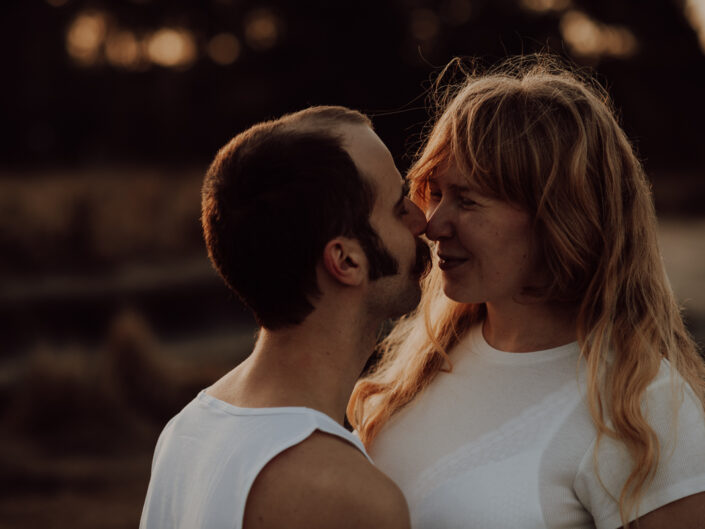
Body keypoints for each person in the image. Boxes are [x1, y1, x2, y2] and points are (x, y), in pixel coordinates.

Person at [349, 56, 705, 529]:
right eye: (435, 193)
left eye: (468, 200)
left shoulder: (643, 408)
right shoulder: (422, 361)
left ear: (559, 217)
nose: (432, 225)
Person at [140, 105, 431, 529]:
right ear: (346, 261)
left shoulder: (185, 432)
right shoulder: (345, 495)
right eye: (397, 205)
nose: (420, 218)